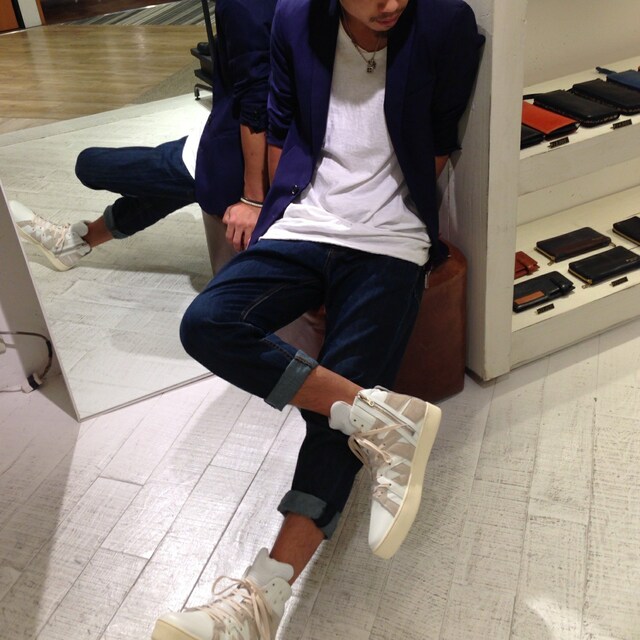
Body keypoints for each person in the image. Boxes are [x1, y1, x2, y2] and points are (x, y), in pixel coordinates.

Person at [151, 0, 484, 638]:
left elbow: (440, 140)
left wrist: (394, 219)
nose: (390, 3)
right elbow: (281, 128)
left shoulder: (444, 22)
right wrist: (275, 212)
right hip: (304, 222)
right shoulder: (295, 18)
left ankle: (260, 600)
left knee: (332, 408)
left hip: (391, 239)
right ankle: (383, 418)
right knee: (208, 322)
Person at [9, 0, 277, 271]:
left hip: (232, 155)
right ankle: (75, 243)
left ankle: (73, 242)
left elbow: (256, 103)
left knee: (89, 164)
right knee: (166, 188)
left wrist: (253, 199)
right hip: (236, 141)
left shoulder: (244, 5)